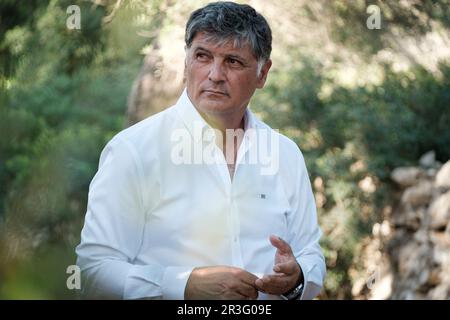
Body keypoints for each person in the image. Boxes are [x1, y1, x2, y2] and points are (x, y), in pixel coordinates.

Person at [76, 1, 326, 300]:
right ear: (186, 62)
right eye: (203, 57)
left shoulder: (285, 154)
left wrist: (297, 277)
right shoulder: (133, 151)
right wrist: (182, 286)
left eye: (233, 61)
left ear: (262, 74)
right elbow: (93, 271)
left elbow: (311, 255)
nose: (215, 74)